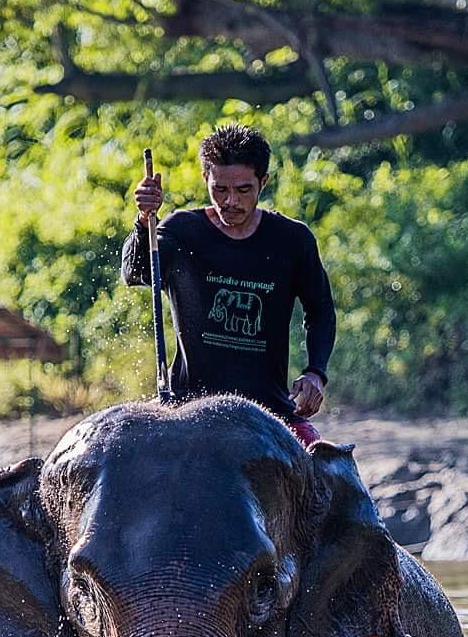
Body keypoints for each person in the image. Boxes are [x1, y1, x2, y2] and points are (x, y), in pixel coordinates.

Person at [122, 124, 334, 445]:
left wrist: (315, 373)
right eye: (219, 189)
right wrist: (143, 221)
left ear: (263, 182)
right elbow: (136, 272)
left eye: (243, 190)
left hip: (269, 412)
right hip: (185, 408)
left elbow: (320, 312)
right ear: (206, 179)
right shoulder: (182, 231)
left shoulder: (293, 240)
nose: (230, 201)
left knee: (333, 478)